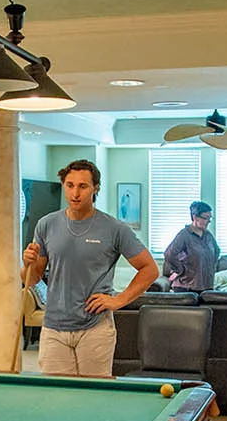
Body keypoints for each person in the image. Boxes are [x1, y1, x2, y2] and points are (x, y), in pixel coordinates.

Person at [22, 159, 159, 376]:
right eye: (70, 185)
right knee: (56, 397)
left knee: (93, 398)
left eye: (83, 186)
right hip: (53, 328)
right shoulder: (46, 224)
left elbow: (150, 269)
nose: (75, 193)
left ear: (95, 188)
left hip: (95, 328)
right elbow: (32, 279)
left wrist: (119, 300)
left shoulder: (114, 228)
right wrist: (26, 264)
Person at [163, 200, 220, 291]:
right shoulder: (184, 235)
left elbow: (217, 251)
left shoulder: (208, 235)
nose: (208, 221)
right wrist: (179, 270)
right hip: (186, 287)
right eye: (205, 218)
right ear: (195, 217)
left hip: (206, 286)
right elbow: (169, 254)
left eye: (210, 218)